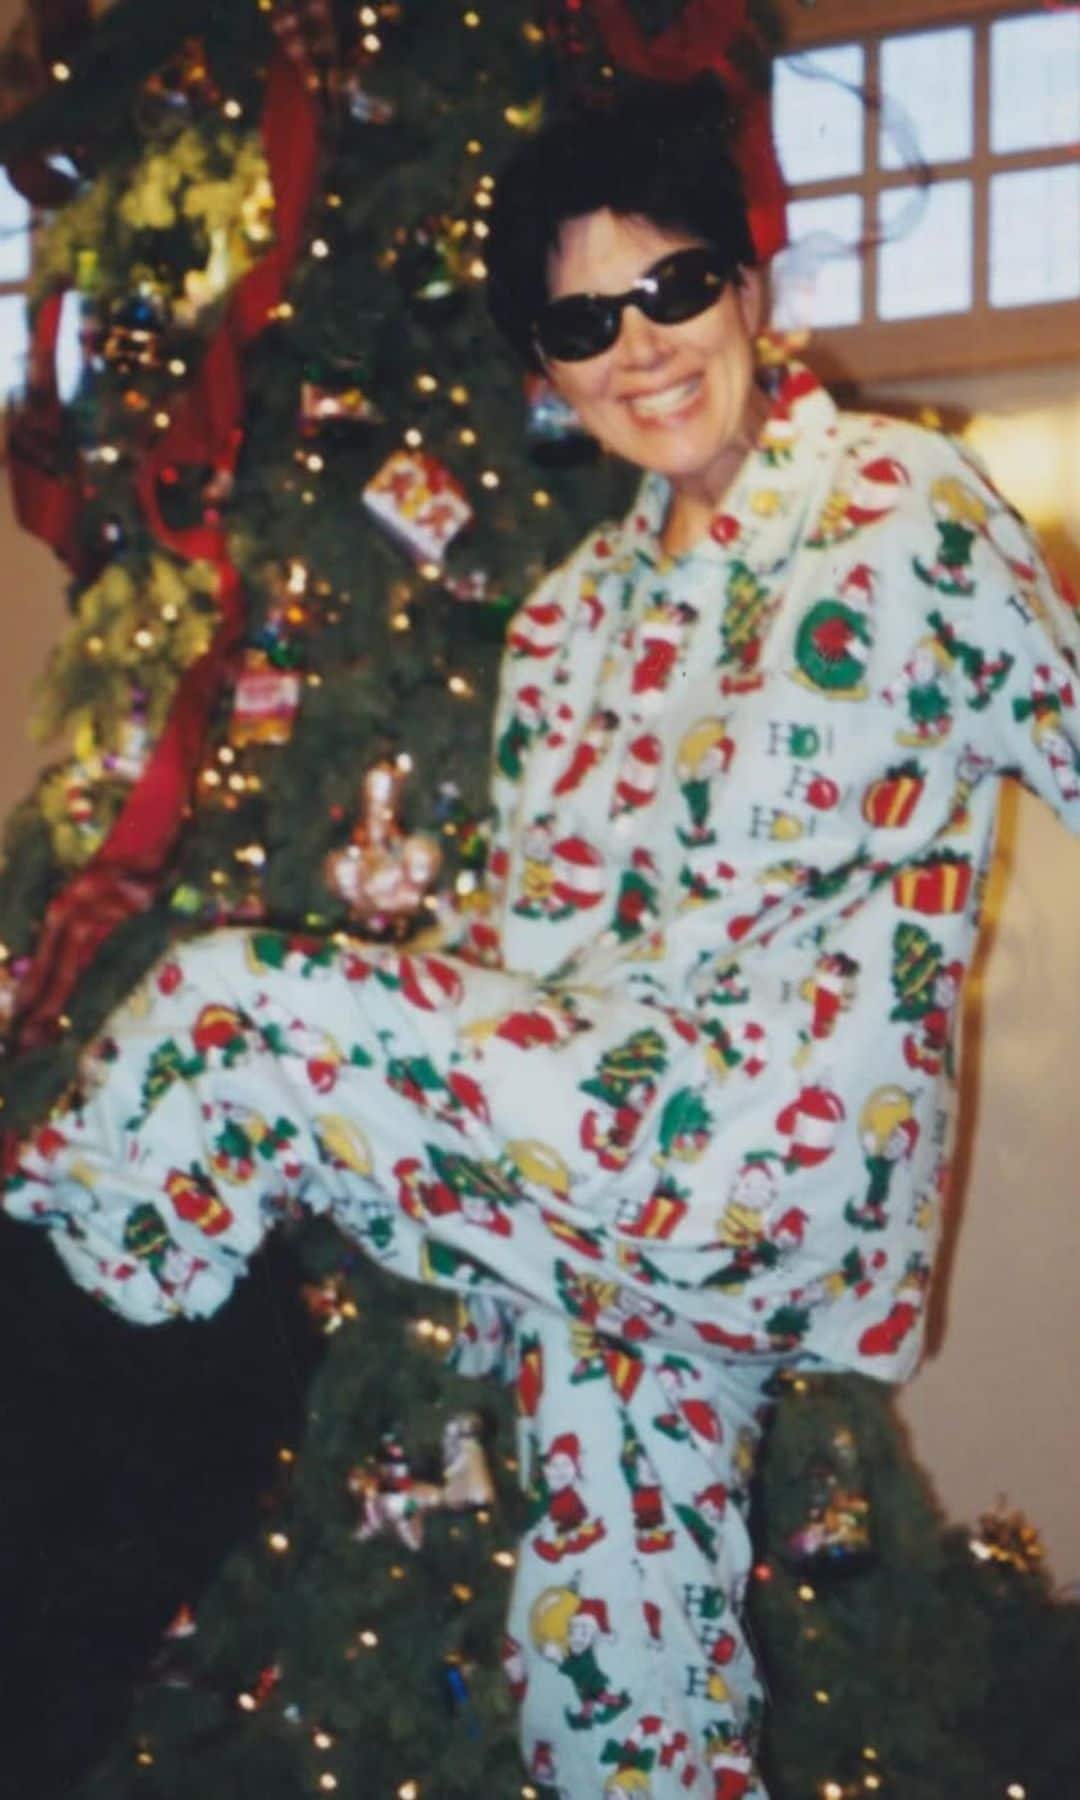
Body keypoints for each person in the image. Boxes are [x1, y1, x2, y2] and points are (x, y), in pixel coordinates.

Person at [5, 79, 1079, 1798]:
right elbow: (531, 952)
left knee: (225, 1009)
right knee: (618, 1666)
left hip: (765, 1154)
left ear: (747, 289)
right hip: (598, 1203)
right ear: (545, 370)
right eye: (583, 322)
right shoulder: (567, 623)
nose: (639, 346)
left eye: (672, 287)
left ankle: (59, 1333)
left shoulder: (906, 513)